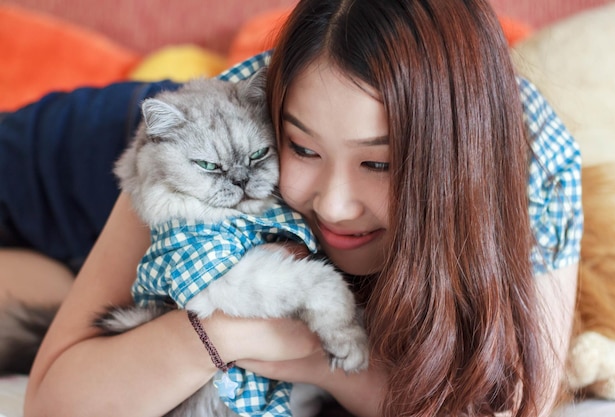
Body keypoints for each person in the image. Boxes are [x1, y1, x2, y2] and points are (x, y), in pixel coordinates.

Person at [0, 0, 581, 416]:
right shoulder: (221, 117)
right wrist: (225, 331)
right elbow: (54, 405)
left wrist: (305, 354)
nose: (332, 202)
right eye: (301, 148)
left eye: (378, 163)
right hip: (63, 165)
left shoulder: (532, 165)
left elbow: (503, 407)